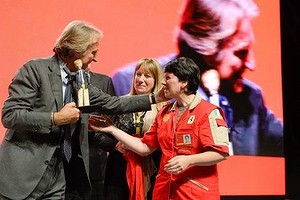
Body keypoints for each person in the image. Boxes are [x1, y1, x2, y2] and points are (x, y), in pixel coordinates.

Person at [0, 20, 166, 200]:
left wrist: (155, 98)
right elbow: (10, 115)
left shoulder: (81, 80)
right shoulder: (34, 70)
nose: (95, 58)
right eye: (93, 52)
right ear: (77, 51)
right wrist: (55, 118)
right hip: (23, 175)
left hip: (58, 178)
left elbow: (113, 103)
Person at [111, 0, 283, 156]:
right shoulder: (131, 82)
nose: (251, 64)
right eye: (241, 52)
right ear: (206, 49)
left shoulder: (251, 99)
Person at [90, 57, 230, 200]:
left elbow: (221, 153)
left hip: (194, 193)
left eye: (168, 78)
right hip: (164, 191)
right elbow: (145, 147)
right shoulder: (165, 112)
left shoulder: (208, 112)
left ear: (184, 83)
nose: (163, 82)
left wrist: (189, 160)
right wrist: (113, 129)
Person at [99, 58, 166, 200]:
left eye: (147, 76)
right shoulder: (119, 104)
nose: (141, 79)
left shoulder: (164, 109)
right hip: (118, 173)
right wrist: (116, 145)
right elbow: (99, 136)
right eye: (138, 74)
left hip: (153, 172)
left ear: (156, 80)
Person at [87, 69, 116, 200]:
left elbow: (111, 122)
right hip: (61, 164)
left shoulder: (104, 81)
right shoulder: (57, 81)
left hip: (95, 162)